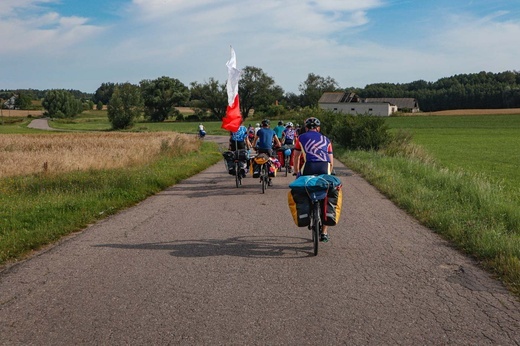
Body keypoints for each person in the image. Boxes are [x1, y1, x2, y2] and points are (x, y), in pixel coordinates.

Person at [293, 117, 334, 242]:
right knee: (327, 194)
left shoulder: (301, 138)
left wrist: (296, 172)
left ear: (306, 128)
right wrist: (329, 173)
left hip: (308, 167)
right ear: (318, 128)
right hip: (324, 167)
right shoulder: (326, 139)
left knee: (304, 187)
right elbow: (331, 162)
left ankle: (307, 210)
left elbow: (296, 157)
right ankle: (325, 232)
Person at [252, 119, 281, 186]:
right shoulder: (272, 131)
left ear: (262, 125)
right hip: (269, 149)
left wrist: (253, 146)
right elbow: (278, 143)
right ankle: (270, 179)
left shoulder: (260, 131)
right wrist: (278, 146)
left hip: (261, 149)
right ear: (269, 125)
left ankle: (258, 171)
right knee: (270, 161)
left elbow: (255, 140)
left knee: (259, 159)